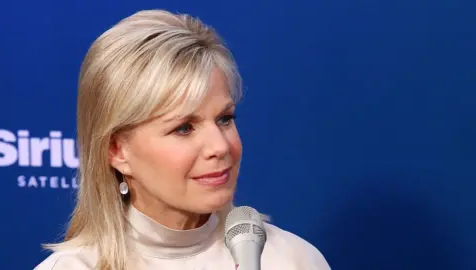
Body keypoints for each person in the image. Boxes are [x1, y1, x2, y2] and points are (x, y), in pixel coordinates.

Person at [34, 9, 331, 270]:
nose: (220, 147)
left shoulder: (293, 261)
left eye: (224, 119)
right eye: (184, 128)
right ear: (117, 150)